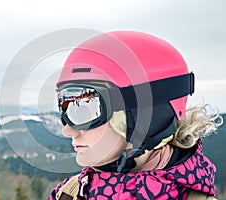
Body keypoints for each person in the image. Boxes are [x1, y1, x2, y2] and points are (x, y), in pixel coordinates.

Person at [48, 31, 222, 200]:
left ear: (146, 117)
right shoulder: (67, 194)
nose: (68, 130)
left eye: (89, 107)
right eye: (66, 106)